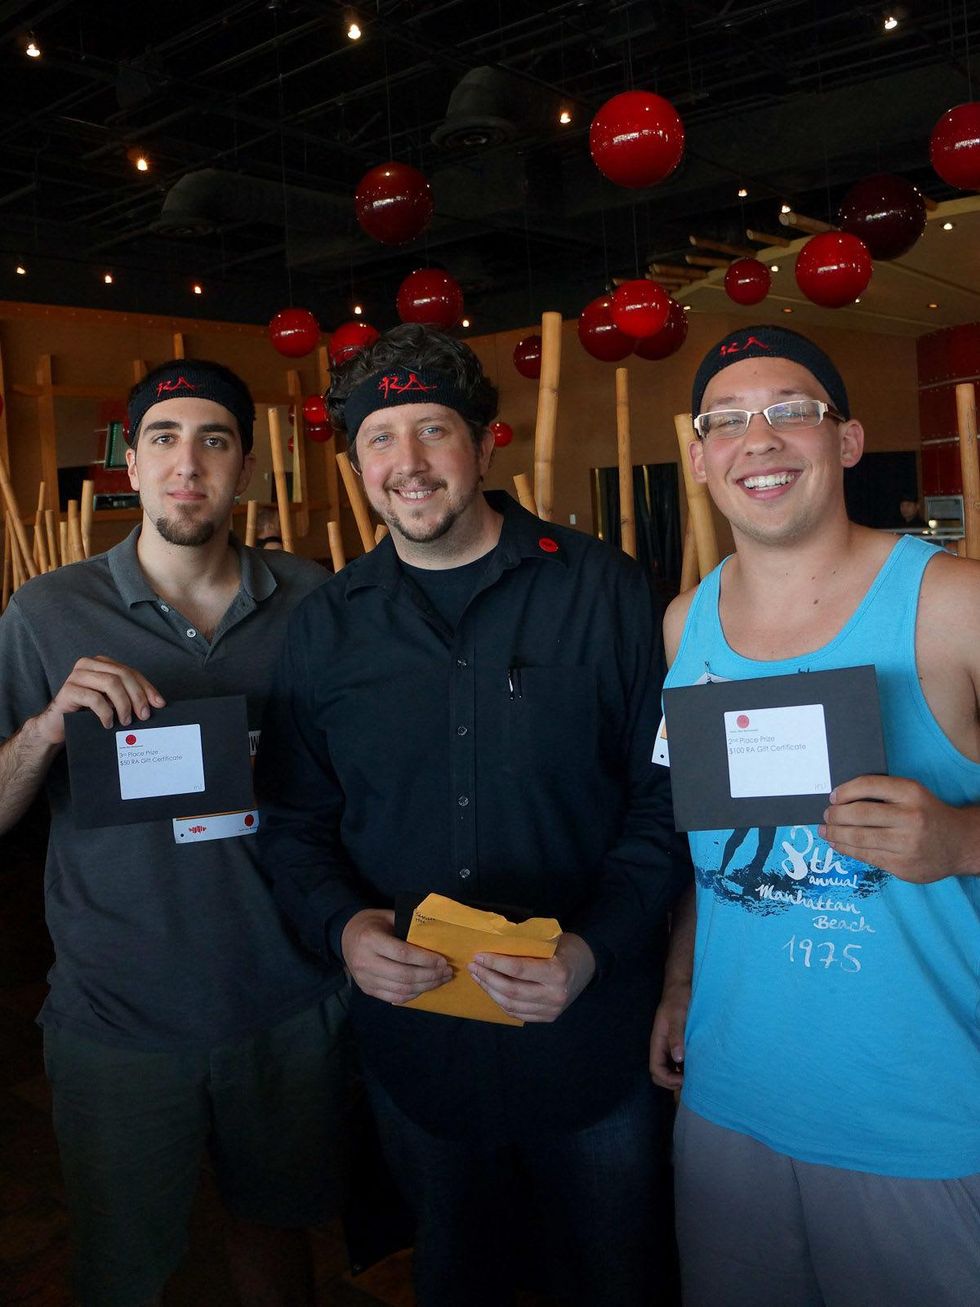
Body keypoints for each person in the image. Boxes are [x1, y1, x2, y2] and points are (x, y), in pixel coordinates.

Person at [255, 323, 689, 1307]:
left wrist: (586, 951)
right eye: (379, 437)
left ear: (486, 441)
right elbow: (291, 821)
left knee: (617, 1272)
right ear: (353, 458)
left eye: (432, 430)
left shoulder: (605, 590)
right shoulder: (323, 626)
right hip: (421, 1052)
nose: (406, 463)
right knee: (456, 1272)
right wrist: (345, 926)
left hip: (590, 1042)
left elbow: (665, 805)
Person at [0, 359, 346, 1307]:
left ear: (245, 471)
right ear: (132, 463)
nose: (186, 462)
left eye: (214, 439)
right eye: (163, 437)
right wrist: (41, 730)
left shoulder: (315, 600)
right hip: (120, 1011)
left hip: (284, 995)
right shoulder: (45, 612)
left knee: (278, 1242)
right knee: (122, 1264)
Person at [650, 324, 980, 1307]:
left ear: (843, 442)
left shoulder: (951, 601)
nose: (760, 437)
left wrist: (961, 838)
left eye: (791, 409)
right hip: (728, 1098)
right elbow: (710, 843)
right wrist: (676, 978)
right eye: (728, 420)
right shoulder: (683, 620)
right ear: (701, 458)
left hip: (919, 1114)